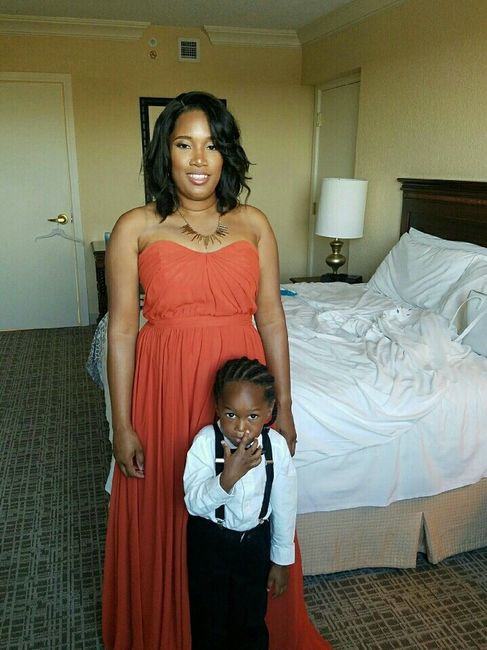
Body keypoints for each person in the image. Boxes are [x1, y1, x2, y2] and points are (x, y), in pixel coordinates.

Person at [102, 90, 331, 649]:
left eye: (211, 144)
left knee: (246, 501)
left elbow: (271, 318)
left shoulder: (253, 224)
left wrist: (285, 409)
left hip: (241, 392)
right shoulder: (135, 226)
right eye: (185, 144)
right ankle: (170, 630)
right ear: (166, 153)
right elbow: (123, 330)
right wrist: (122, 424)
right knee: (169, 507)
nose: (199, 159)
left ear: (227, 153)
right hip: (166, 391)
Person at [184, 357, 297, 650]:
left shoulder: (276, 448)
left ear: (269, 412)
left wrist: (281, 560)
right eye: (231, 414)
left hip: (254, 544)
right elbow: (193, 504)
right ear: (217, 408)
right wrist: (226, 479)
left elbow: (285, 505)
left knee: (251, 620)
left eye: (253, 416)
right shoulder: (205, 443)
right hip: (210, 543)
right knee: (208, 622)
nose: (241, 427)